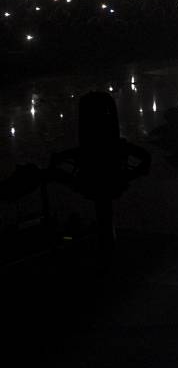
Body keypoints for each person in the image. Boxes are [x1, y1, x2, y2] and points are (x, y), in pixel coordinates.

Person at [47, 91, 151, 261]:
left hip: (95, 181)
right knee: (105, 214)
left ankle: (105, 249)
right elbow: (145, 157)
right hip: (109, 180)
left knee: (103, 213)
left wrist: (68, 178)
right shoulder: (114, 146)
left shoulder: (86, 150)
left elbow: (60, 161)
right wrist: (131, 175)